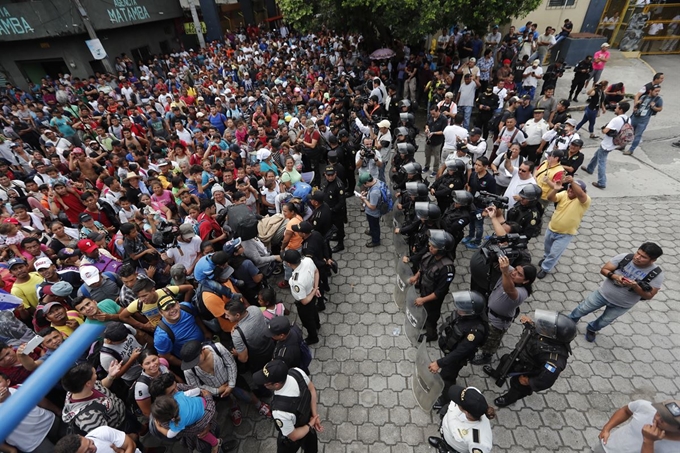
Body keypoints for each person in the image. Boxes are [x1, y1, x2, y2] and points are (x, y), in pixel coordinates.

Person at [568, 242, 663, 342]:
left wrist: (635, 287)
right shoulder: (625, 257)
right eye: (638, 253)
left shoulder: (656, 274)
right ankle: (570, 321)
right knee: (582, 309)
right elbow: (604, 269)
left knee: (604, 322)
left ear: (653, 260)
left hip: (622, 305)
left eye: (643, 257)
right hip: (602, 294)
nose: (637, 257)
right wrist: (615, 276)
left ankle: (592, 329)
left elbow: (649, 296)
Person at [483, 310, 576, 407]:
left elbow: (546, 379)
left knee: (518, 386)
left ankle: (508, 399)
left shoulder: (554, 360)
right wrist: (530, 323)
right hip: (521, 356)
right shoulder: (548, 334)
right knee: (505, 360)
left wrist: (528, 381)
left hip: (529, 370)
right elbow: (539, 329)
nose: (544, 327)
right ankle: (497, 375)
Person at [471, 254, 536, 365]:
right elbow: (499, 263)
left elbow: (509, 289)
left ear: (525, 281)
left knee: (491, 340)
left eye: (519, 274)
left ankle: (487, 356)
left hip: (498, 322)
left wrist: (505, 272)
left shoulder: (522, 292)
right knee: (485, 333)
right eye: (515, 269)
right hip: (488, 312)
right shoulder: (510, 272)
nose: (514, 273)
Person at [428, 291, 487, 406]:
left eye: (463, 308)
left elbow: (460, 352)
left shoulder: (475, 332)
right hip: (451, 349)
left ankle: (445, 400)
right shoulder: (465, 315)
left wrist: (439, 363)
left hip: (456, 358)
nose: (458, 309)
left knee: (447, 377)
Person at [252, 360, 323, 453]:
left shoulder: (279, 411)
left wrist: (310, 425)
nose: (264, 384)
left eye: (266, 382)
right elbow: (312, 390)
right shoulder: (297, 372)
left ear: (276, 384)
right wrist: (314, 416)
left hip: (295, 435)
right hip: (308, 420)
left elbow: (293, 436)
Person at [537, 176, 591, 279]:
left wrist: (572, 181)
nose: (571, 189)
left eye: (573, 188)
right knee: (547, 248)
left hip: (565, 234)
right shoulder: (564, 194)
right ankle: (545, 258)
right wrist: (555, 189)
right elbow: (550, 198)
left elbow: (580, 194)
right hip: (551, 228)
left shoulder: (584, 201)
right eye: (570, 187)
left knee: (554, 253)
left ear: (583, 191)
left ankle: (545, 268)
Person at [408, 230, 455, 341]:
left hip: (433, 298)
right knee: (424, 311)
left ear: (442, 250)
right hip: (425, 289)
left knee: (431, 316)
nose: (430, 247)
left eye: (433, 246)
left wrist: (423, 300)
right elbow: (424, 267)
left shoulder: (447, 269)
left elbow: (440, 292)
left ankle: (431, 334)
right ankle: (424, 322)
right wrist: (416, 276)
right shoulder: (431, 255)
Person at [594, 399, 680, 453]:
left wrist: (649, 441)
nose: (657, 418)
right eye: (660, 412)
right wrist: (606, 429)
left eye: (666, 420)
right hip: (605, 448)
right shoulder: (646, 407)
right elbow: (626, 410)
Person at [428, 385, 494, 453]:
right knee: (443, 442)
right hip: (445, 431)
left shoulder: (479, 441)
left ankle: (445, 449)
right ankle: (441, 444)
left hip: (454, 448)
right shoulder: (473, 395)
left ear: (466, 412)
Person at [584, 101, 631, 189]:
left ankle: (602, 182)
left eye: (617, 107)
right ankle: (590, 168)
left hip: (607, 144)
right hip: (615, 143)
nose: (615, 108)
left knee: (602, 162)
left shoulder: (616, 119)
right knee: (597, 155)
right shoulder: (628, 119)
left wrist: (604, 129)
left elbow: (605, 131)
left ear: (620, 109)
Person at [283, 249, 321, 345]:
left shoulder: (297, 281)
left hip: (306, 301)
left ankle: (313, 337)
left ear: (288, 263)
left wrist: (313, 292)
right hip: (312, 293)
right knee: (314, 311)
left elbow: (304, 301)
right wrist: (315, 288)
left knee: (307, 320)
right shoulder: (308, 260)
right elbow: (316, 272)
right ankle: (317, 324)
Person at [625, 84, 663, 155]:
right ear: (650, 91)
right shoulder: (644, 96)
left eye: (658, 91)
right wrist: (636, 104)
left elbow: (660, 108)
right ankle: (622, 145)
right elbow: (636, 105)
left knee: (638, 135)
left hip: (643, 120)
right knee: (628, 132)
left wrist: (654, 107)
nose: (657, 93)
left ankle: (631, 150)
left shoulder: (658, 99)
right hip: (635, 117)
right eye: (656, 91)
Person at [53, 427, 140, 453]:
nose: (93, 447)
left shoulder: (101, 432)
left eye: (90, 442)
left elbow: (131, 444)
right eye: (88, 451)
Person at [357, 172, 383, 248]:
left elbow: (372, 207)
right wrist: (366, 193)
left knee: (374, 225)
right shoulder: (376, 181)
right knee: (372, 225)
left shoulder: (374, 193)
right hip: (373, 212)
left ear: (367, 182)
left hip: (373, 213)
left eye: (364, 184)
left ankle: (376, 241)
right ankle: (372, 231)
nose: (363, 186)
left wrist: (364, 199)